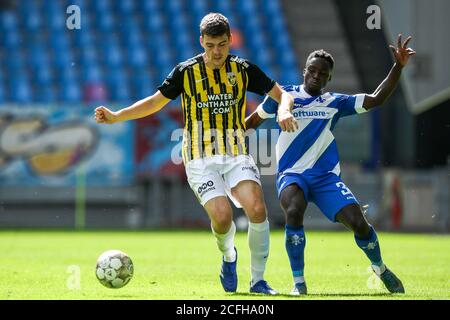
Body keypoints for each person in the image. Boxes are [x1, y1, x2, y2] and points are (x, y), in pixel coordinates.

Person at [94, 13, 297, 294]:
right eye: (211, 45)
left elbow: (282, 93)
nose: (217, 52)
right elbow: (155, 103)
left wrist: (284, 109)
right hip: (200, 158)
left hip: (236, 153)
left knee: (258, 209)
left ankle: (258, 280)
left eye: (223, 45)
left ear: (230, 42)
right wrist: (118, 116)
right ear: (201, 41)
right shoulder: (185, 72)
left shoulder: (243, 69)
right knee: (223, 217)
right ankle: (229, 257)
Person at [245, 34, 415, 295]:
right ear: (304, 71)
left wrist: (398, 66)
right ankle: (299, 283)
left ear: (329, 78)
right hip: (292, 175)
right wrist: (225, 137)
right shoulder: (283, 97)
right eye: (312, 70)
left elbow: (376, 99)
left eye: (322, 73)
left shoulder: (335, 102)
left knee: (358, 222)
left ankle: (380, 269)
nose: (316, 75)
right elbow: (252, 122)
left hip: (325, 178)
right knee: (294, 208)